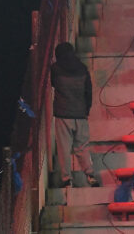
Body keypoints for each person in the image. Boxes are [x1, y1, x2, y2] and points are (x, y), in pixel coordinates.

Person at [51, 42, 98, 187]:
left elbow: (53, 84)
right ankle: (89, 174)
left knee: (64, 148)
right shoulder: (82, 68)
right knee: (82, 147)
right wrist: (86, 110)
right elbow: (88, 92)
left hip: (63, 114)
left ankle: (66, 180)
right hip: (80, 114)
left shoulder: (55, 69)